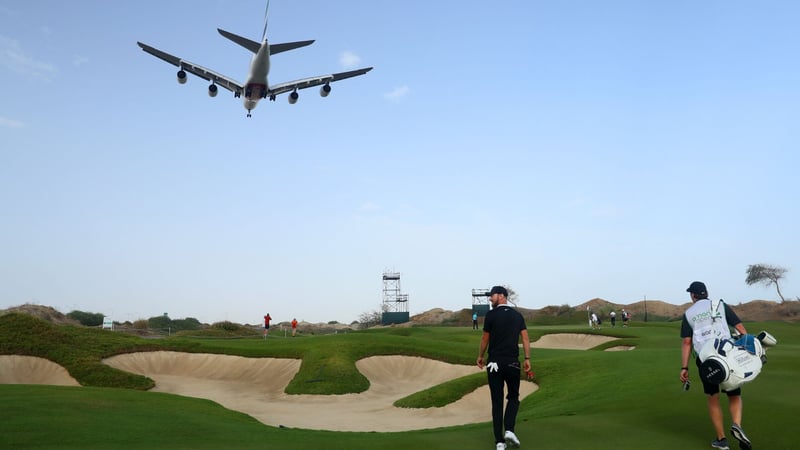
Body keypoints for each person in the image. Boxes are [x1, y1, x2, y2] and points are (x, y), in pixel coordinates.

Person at [680, 281, 751, 450]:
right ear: (706, 293)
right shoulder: (720, 305)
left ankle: (722, 440)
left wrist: (684, 368)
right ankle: (736, 424)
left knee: (713, 398)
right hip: (728, 356)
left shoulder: (689, 313)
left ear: (693, 295)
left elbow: (687, 342)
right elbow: (740, 328)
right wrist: (747, 348)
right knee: (734, 394)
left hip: (706, 361)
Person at [477, 286, 531, 450]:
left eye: (491, 296)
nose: (489, 299)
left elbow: (485, 339)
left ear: (501, 296)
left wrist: (480, 356)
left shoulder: (491, 315)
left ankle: (499, 442)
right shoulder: (517, 315)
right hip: (513, 364)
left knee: (497, 402)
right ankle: (509, 430)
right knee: (513, 397)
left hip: (494, 364)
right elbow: (525, 339)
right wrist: (527, 359)